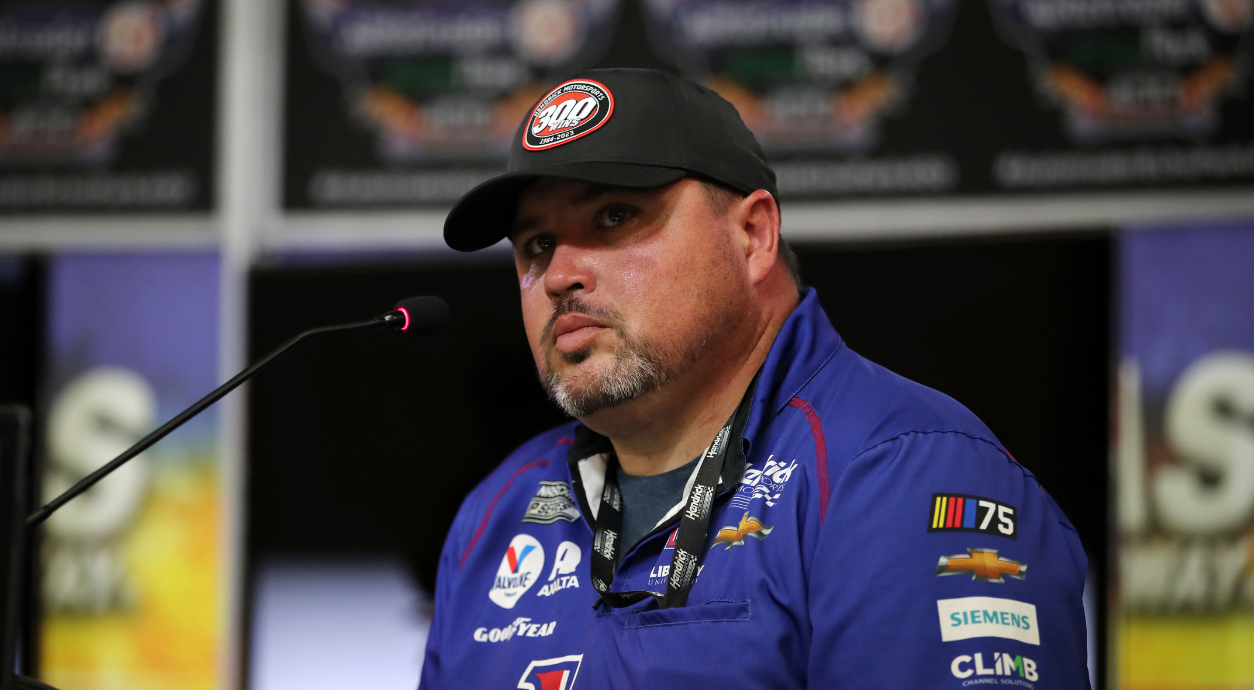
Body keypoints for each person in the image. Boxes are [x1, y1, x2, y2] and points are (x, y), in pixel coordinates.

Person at [420, 68, 1089, 690]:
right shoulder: (495, 513)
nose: (561, 273)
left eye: (615, 216)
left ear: (754, 235)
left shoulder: (903, 472)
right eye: (537, 245)